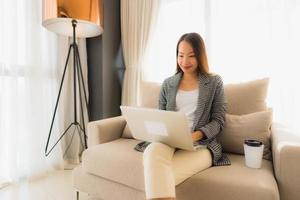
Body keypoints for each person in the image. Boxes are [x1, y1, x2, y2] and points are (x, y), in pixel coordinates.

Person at [138, 32, 231, 200]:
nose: (184, 61)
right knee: (151, 151)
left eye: (191, 56)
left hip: (201, 145)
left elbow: (218, 121)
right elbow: (161, 117)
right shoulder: (168, 83)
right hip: (170, 140)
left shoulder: (214, 82)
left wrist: (194, 136)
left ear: (200, 56)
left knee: (159, 176)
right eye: (180, 55)